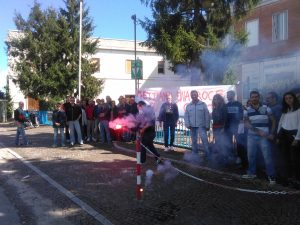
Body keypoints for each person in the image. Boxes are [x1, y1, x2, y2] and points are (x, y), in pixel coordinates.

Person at [242, 90, 276, 185]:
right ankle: (252, 173)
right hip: (251, 136)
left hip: (264, 137)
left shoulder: (266, 108)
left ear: (259, 97)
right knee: (251, 156)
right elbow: (246, 123)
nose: (254, 98)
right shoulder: (246, 110)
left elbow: (273, 121)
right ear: (250, 98)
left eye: (256, 96)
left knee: (267, 156)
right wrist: (258, 131)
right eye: (252, 97)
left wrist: (272, 133)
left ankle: (271, 176)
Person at [276, 91, 300, 185]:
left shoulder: (299, 110)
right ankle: (288, 177)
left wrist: (297, 138)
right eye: (286, 98)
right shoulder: (285, 111)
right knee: (285, 157)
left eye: (290, 98)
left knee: (295, 158)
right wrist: (278, 136)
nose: (288, 100)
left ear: (294, 98)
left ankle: (297, 178)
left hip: (294, 135)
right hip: (284, 135)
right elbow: (280, 124)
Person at [184, 90, 210, 159]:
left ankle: (208, 155)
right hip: (192, 127)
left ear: (197, 95)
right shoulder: (188, 106)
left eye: (195, 94)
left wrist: (207, 125)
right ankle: (195, 155)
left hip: (201, 127)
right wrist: (187, 124)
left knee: (205, 141)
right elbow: (186, 116)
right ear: (191, 96)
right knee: (194, 142)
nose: (193, 96)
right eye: (192, 95)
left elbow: (207, 115)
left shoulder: (203, 104)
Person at [225, 90, 245, 165]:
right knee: (228, 142)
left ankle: (239, 157)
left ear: (233, 95)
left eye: (228, 95)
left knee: (239, 142)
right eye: (227, 95)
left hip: (237, 126)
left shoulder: (238, 104)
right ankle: (230, 156)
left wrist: (240, 124)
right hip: (228, 127)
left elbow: (242, 115)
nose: (227, 96)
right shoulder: (226, 105)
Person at [211, 94, 228, 164]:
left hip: (221, 128)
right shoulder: (215, 108)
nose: (216, 100)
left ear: (220, 100)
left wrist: (223, 128)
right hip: (215, 128)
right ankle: (220, 157)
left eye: (217, 99)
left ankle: (224, 158)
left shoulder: (223, 107)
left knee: (222, 143)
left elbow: (225, 118)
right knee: (218, 143)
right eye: (214, 99)